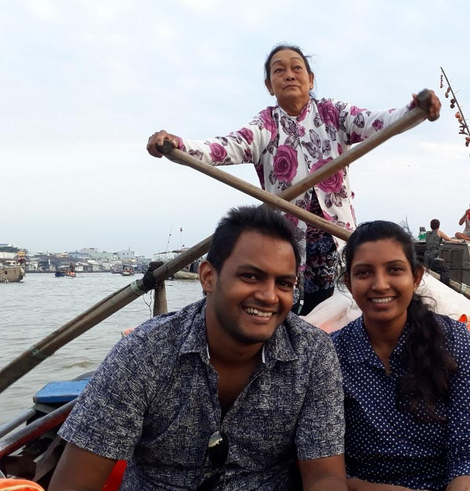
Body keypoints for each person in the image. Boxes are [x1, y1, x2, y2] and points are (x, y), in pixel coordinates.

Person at [49, 206, 347, 491]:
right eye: (250, 276)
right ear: (208, 277)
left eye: (283, 283)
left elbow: (324, 476)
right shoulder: (144, 352)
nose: (269, 296)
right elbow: (75, 483)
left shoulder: (313, 353)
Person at [146, 43, 441, 315]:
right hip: (286, 245)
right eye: (279, 70)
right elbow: (223, 147)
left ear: (310, 79)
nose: (289, 75)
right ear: (269, 85)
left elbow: (378, 123)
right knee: (290, 314)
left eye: (296, 68)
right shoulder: (265, 124)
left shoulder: (332, 114)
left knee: (339, 310)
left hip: (335, 239)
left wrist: (414, 111)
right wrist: (176, 145)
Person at [332, 221, 470, 491]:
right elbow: (323, 461)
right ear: (349, 282)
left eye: (394, 270)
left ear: (416, 277)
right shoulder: (332, 354)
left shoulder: (455, 341)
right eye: (364, 273)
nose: (380, 285)